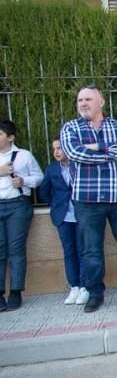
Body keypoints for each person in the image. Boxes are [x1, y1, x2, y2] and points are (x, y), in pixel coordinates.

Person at [60, 86, 117, 312]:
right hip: (86, 200)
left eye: (88, 99)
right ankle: (95, 294)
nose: (83, 103)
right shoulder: (70, 127)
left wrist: (96, 148)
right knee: (91, 251)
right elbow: (74, 154)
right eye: (80, 99)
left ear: (100, 102)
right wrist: (111, 152)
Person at [0, 120, 42, 312]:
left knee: (16, 249)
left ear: (10, 137)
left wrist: (24, 181)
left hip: (17, 205)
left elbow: (39, 177)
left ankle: (16, 292)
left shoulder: (24, 156)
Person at [38, 139, 86, 306]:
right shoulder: (51, 169)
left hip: (82, 215)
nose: (56, 152)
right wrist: (56, 204)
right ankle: (74, 285)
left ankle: (85, 286)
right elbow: (43, 191)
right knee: (69, 251)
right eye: (54, 149)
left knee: (83, 250)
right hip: (63, 217)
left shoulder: (79, 165)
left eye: (60, 148)